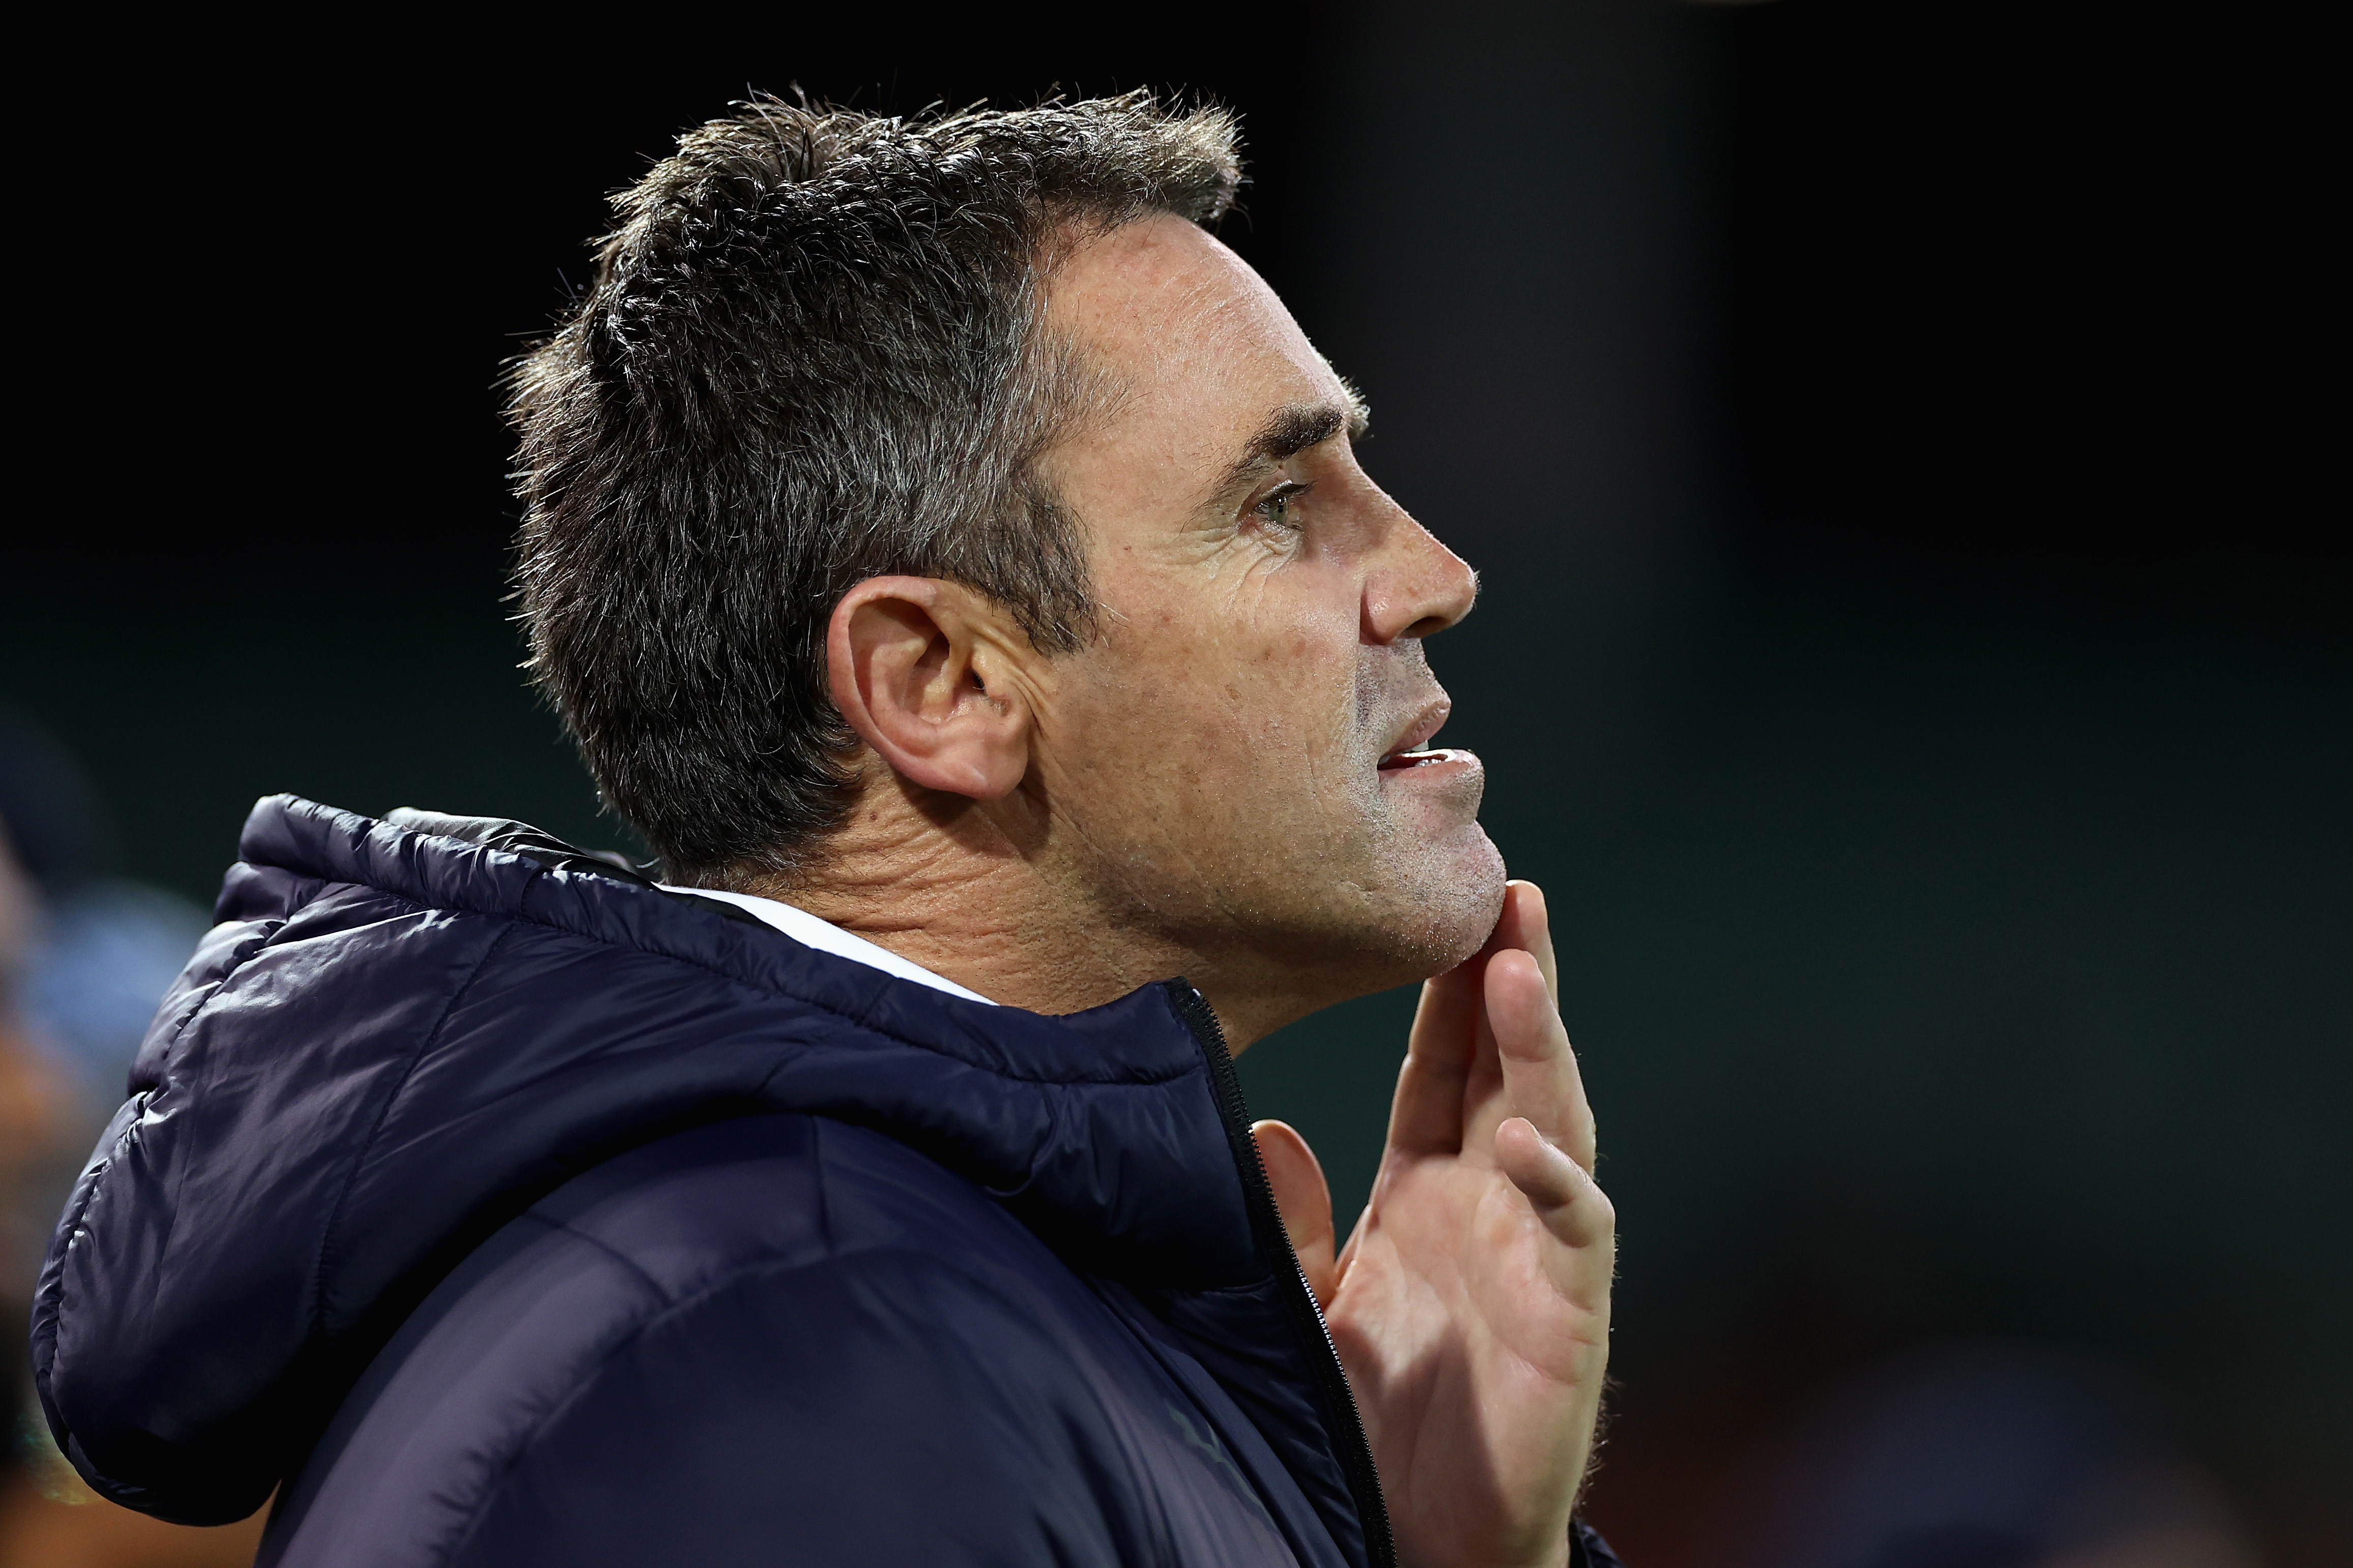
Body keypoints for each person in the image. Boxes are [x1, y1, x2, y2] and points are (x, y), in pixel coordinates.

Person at [31, 95, 1621, 1568]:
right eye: (1278, 501)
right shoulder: (790, 1344)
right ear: (938, 682)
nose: (1430, 568)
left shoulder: (860, 1288)